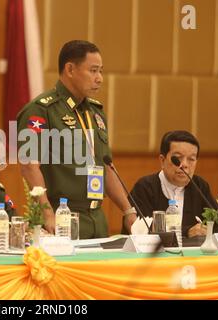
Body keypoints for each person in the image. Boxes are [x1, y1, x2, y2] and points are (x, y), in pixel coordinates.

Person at [16, 40, 136, 239]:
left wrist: (128, 210)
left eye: (101, 71)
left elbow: (107, 166)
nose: (100, 79)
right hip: (61, 215)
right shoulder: (41, 110)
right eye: (93, 71)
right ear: (70, 69)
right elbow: (29, 166)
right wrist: (47, 212)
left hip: (97, 217)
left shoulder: (95, 112)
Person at [124, 130, 218, 237]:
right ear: (162, 160)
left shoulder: (200, 186)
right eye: (177, 158)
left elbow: (217, 225)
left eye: (191, 159)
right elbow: (141, 229)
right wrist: (186, 232)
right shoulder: (145, 187)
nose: (184, 165)